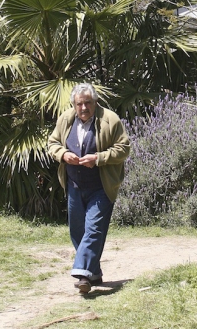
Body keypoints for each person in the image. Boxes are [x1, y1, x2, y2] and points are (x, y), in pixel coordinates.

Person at [48, 82, 130, 294]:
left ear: (95, 102)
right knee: (78, 232)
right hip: (74, 185)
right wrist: (63, 155)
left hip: (101, 186)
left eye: (88, 103)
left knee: (93, 229)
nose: (84, 108)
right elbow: (52, 143)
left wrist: (99, 158)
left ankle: (83, 274)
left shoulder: (110, 119)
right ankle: (94, 272)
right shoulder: (66, 119)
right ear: (74, 105)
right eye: (79, 104)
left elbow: (124, 148)